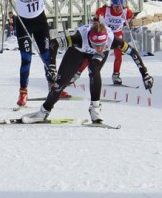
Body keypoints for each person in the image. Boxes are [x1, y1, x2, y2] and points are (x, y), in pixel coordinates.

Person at [21, 21, 153, 124]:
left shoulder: (112, 40)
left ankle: (95, 108)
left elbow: (133, 53)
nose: (99, 47)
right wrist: (52, 67)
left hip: (96, 56)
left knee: (94, 70)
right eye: (96, 44)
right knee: (61, 82)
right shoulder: (79, 37)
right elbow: (54, 43)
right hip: (78, 51)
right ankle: (43, 112)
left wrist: (145, 74)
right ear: (90, 39)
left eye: (102, 44)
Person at [0, 0, 61, 106]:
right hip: (23, 24)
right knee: (26, 59)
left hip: (40, 23)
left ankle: (53, 87)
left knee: (47, 56)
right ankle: (23, 93)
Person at [95, 0, 134, 85]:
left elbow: (130, 16)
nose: (118, 9)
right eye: (116, 6)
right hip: (106, 34)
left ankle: (116, 75)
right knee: (100, 55)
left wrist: (128, 22)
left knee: (118, 55)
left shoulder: (126, 12)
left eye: (120, 6)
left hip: (117, 35)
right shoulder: (106, 10)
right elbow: (97, 12)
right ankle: (93, 73)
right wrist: (97, 19)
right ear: (112, 5)